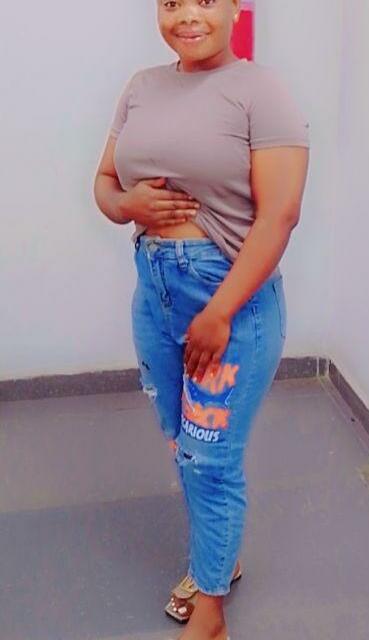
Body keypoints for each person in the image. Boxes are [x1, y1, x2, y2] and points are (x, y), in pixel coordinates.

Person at [93, 1, 310, 638]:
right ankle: (218, 559)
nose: (187, 16)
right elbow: (104, 182)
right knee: (183, 445)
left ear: (234, 8)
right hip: (155, 295)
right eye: (171, 3)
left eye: (205, 1)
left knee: (210, 458)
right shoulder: (142, 86)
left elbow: (280, 216)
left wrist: (218, 313)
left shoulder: (261, 91)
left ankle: (210, 612)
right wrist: (127, 205)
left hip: (229, 302)